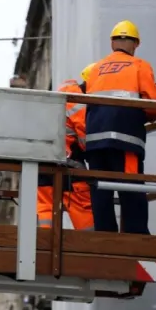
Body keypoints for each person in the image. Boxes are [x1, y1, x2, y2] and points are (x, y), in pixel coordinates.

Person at [80, 20, 156, 234]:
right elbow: (154, 108)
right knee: (131, 187)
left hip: (95, 140)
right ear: (135, 44)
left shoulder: (96, 69)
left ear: (111, 43)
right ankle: (137, 237)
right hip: (125, 140)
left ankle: (105, 235)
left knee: (100, 189)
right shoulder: (140, 66)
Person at [37, 80, 93, 231]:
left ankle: (43, 248)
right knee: (84, 210)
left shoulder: (57, 98)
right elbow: (86, 141)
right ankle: (91, 250)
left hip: (41, 165)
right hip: (68, 166)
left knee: (45, 210)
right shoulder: (78, 100)